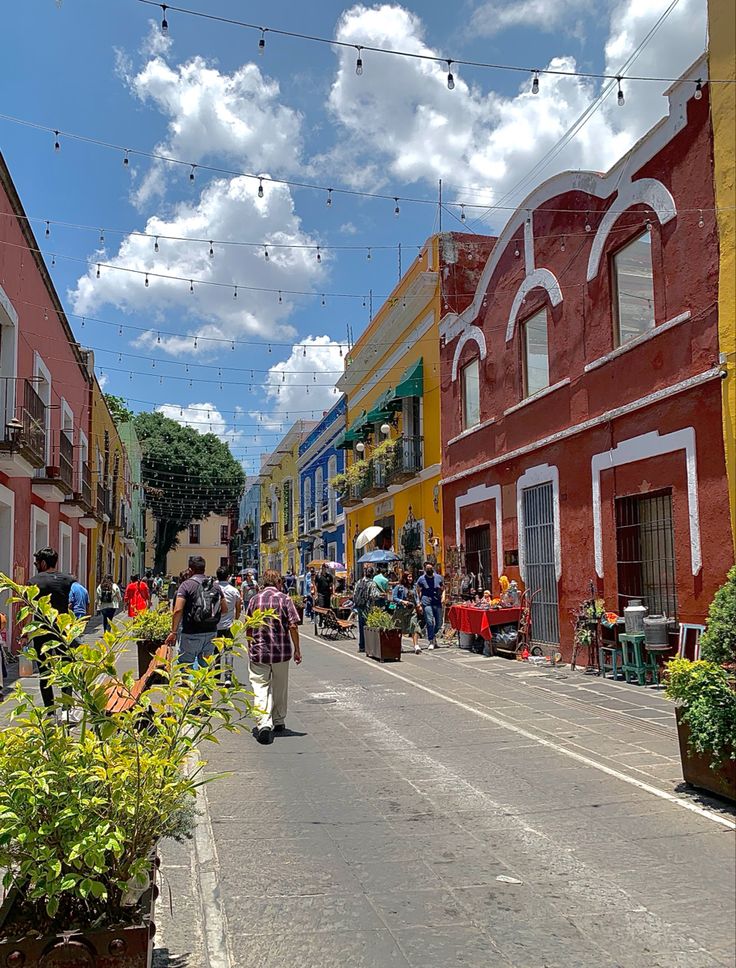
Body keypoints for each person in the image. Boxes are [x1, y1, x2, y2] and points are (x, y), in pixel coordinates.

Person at [244, 569, 302, 745]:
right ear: (278, 582)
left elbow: (248, 625)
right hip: (280, 650)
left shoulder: (255, 599)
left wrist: (249, 644)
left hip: (259, 651)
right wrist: (297, 649)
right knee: (280, 687)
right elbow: (293, 626)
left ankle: (263, 723)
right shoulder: (285, 599)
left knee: (260, 687)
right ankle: (278, 720)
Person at [27, 547, 76, 709]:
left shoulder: (34, 582)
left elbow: (29, 608)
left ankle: (50, 709)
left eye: (36, 562)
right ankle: (67, 708)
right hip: (63, 629)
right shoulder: (69, 580)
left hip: (41, 631)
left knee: (44, 672)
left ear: (42, 563)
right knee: (66, 669)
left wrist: (26, 633)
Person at [165, 556, 227, 668]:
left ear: (190, 569)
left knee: (185, 667)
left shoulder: (186, 585)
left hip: (190, 633)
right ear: (204, 568)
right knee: (205, 669)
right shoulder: (215, 586)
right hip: (211, 633)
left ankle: (187, 685)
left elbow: (178, 610)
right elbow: (224, 609)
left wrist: (173, 632)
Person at [215, 565, 242, 686]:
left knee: (214, 652)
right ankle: (228, 677)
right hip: (228, 625)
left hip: (214, 625)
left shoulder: (213, 589)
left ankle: (215, 676)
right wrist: (235, 620)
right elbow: (238, 608)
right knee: (228, 652)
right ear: (228, 577)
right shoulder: (234, 590)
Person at [415, 561, 445, 650]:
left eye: (430, 568)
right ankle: (431, 640)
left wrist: (443, 597)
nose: (429, 570)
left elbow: (443, 588)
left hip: (437, 602)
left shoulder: (439, 578)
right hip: (426, 602)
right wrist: (419, 602)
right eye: (427, 569)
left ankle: (434, 635)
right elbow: (417, 591)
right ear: (425, 569)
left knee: (439, 623)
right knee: (430, 621)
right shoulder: (421, 579)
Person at [392, 571, 422, 654]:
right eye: (409, 577)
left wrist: (418, 604)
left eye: (411, 577)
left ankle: (416, 646)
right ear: (405, 578)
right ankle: (399, 645)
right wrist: (402, 601)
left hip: (412, 610)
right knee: (399, 628)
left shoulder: (413, 587)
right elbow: (394, 598)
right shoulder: (399, 587)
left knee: (414, 625)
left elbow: (416, 597)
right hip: (401, 610)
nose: (410, 579)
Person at [352, 566, 374, 654]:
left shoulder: (359, 582)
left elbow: (354, 594)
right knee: (368, 627)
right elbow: (374, 595)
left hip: (360, 607)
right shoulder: (372, 583)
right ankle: (368, 646)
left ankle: (361, 646)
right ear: (372, 574)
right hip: (367, 607)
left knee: (361, 627)